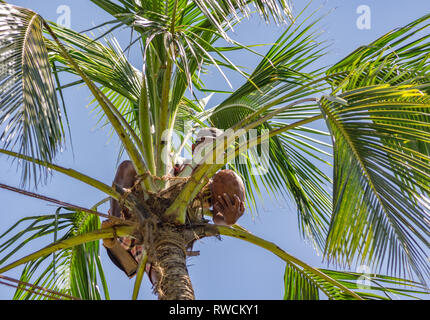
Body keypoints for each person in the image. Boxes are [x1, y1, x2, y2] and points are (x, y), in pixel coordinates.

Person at [102, 128, 246, 281]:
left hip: (164, 234)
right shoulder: (175, 163)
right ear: (194, 148)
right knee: (127, 166)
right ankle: (115, 226)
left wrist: (229, 220)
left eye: (218, 151)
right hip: (135, 218)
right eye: (210, 147)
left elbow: (218, 217)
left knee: (162, 270)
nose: (212, 154)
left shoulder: (213, 186)